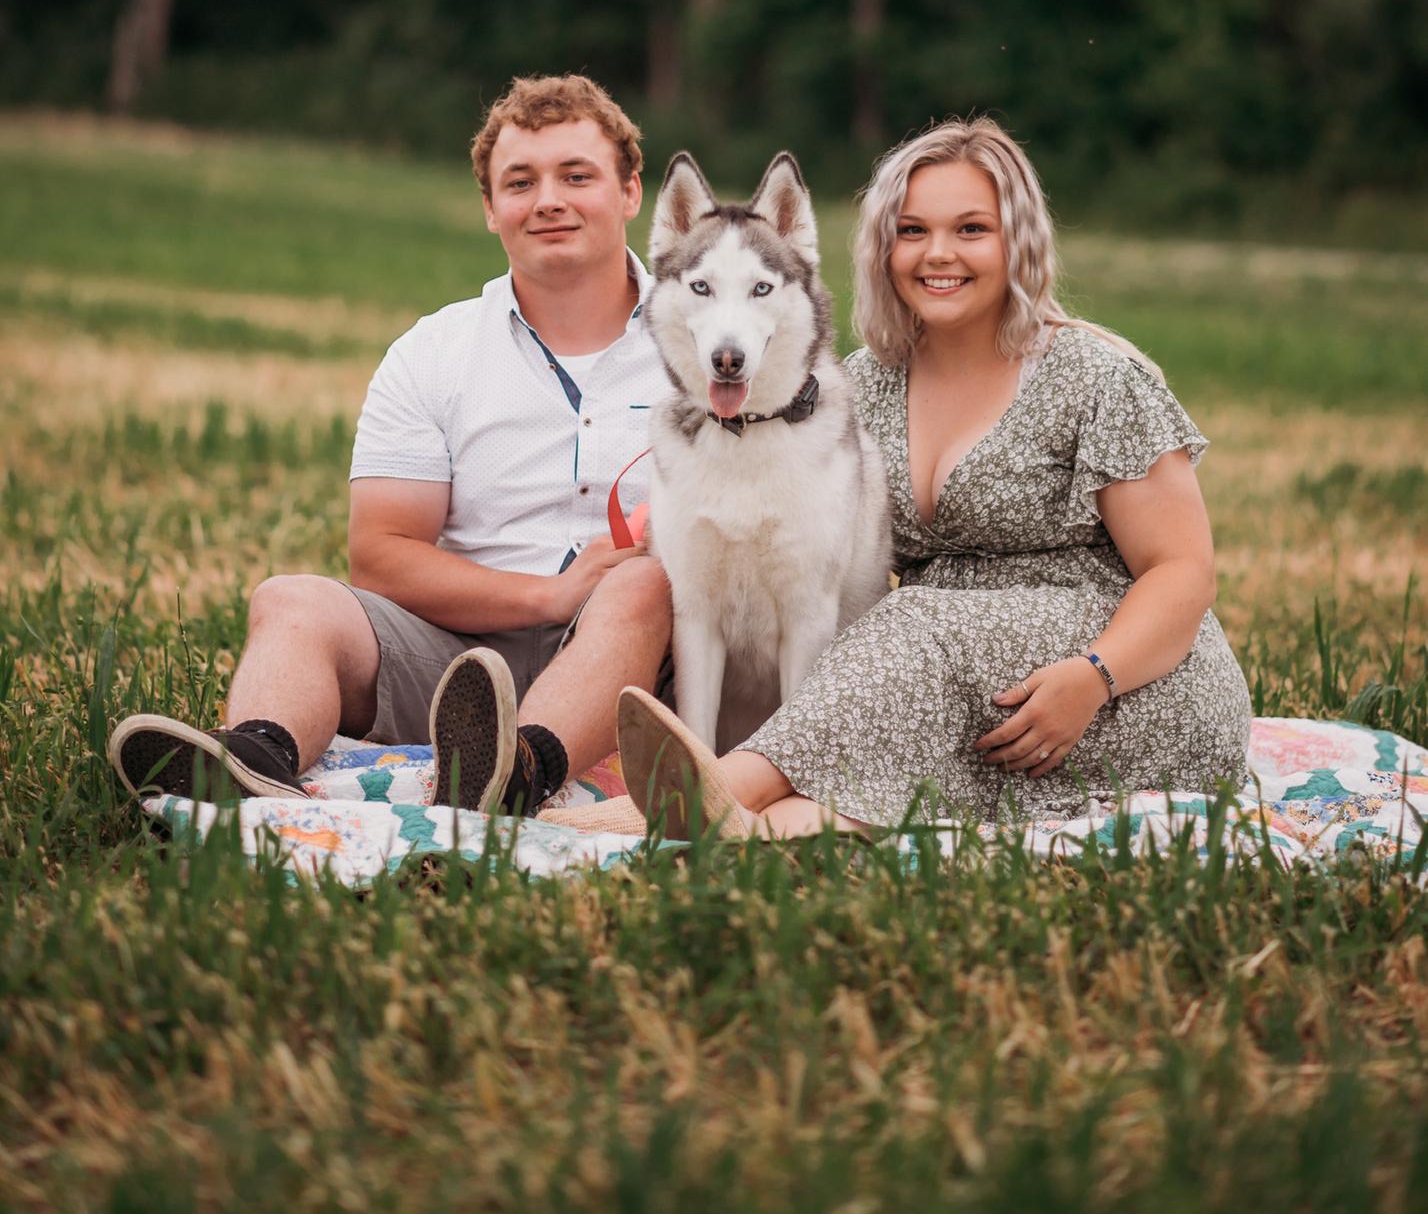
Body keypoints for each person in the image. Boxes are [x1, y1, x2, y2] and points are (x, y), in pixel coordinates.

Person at [616, 116, 1252, 839]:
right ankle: (741, 832)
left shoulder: (1095, 377)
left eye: (971, 229)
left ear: (1019, 241)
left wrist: (1092, 677)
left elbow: (1184, 573)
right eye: (912, 231)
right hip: (962, 699)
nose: (938, 253)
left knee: (908, 620)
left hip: (1121, 688)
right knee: (852, 769)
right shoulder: (859, 387)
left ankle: (678, 805)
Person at [109, 73, 672, 816]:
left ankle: (516, 776)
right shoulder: (433, 352)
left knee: (641, 584)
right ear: (490, 208)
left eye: (577, 176)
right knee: (291, 600)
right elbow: (381, 555)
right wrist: (549, 595)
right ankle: (254, 764)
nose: (548, 201)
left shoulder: (710, 344)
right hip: (462, 663)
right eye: (520, 182)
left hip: (647, 660)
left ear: (630, 193)